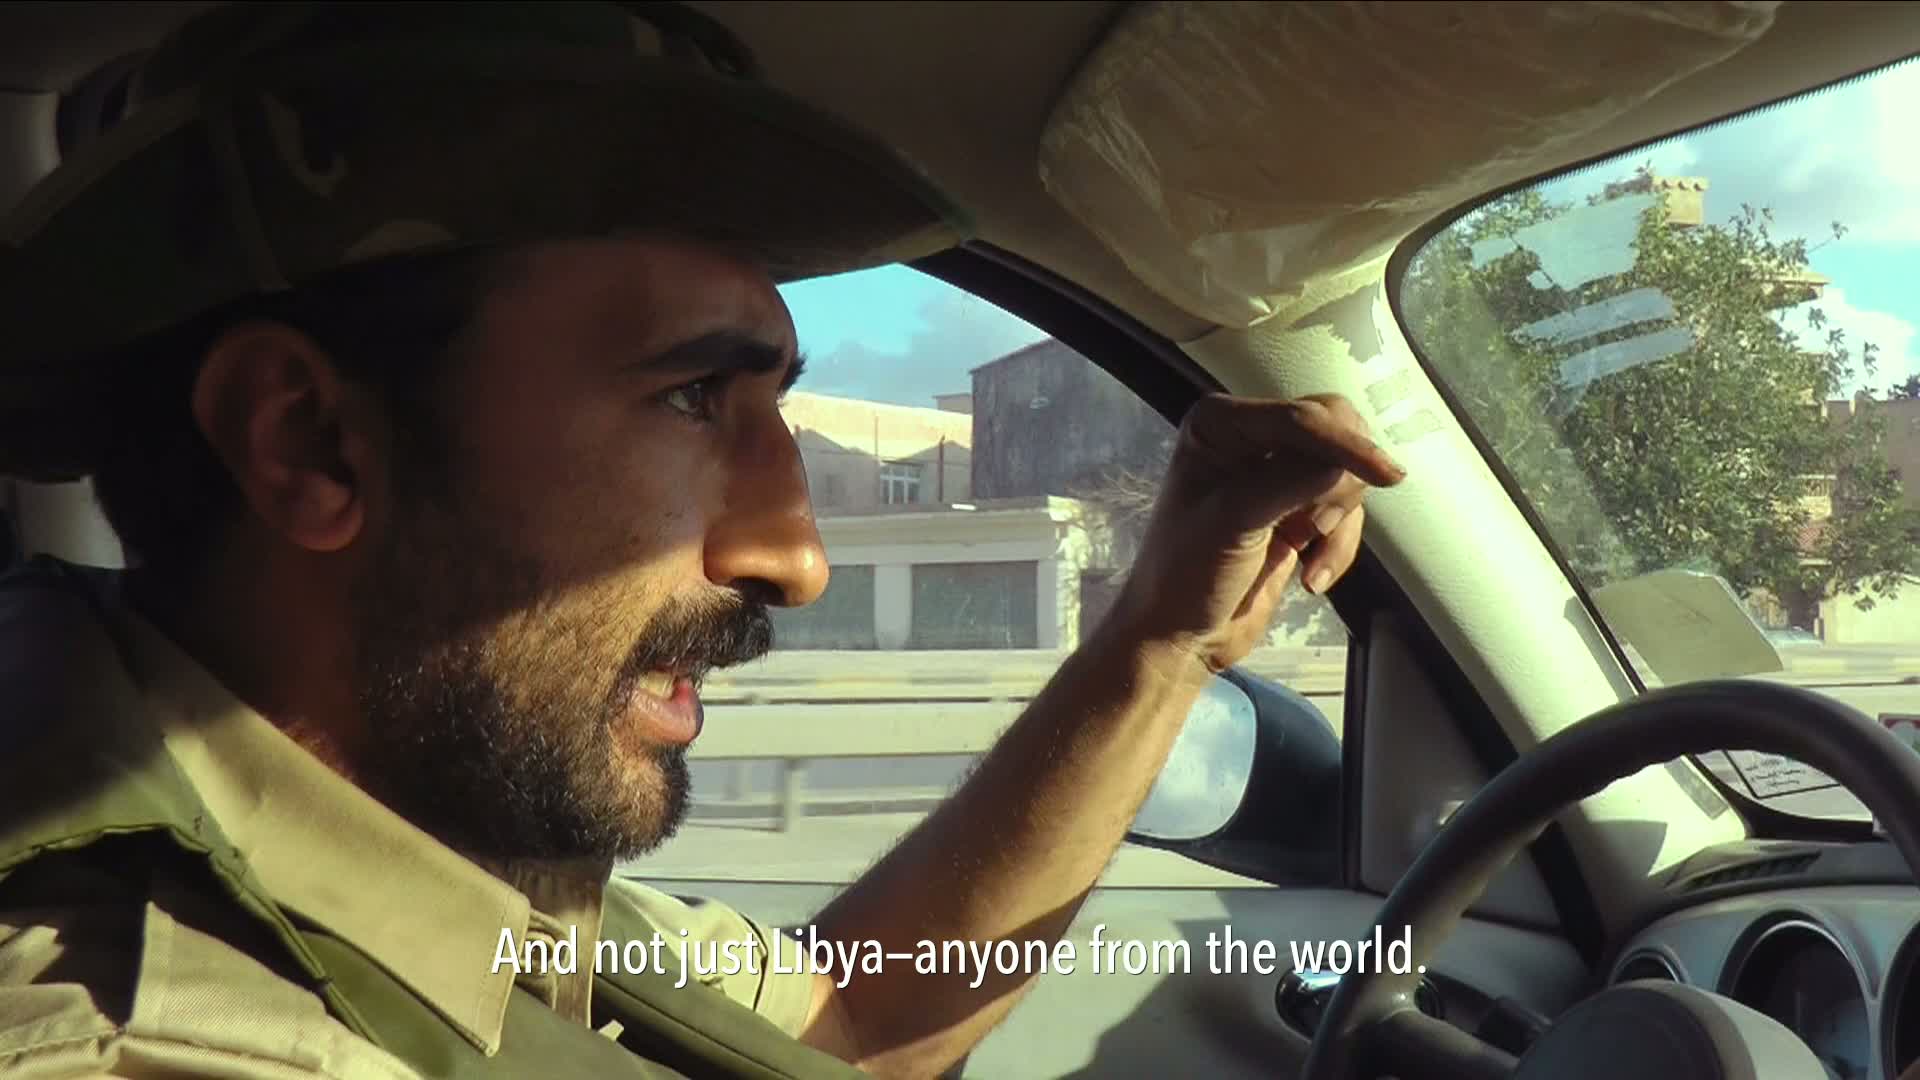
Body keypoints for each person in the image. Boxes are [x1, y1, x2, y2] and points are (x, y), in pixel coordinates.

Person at [0, 5, 1403, 1078]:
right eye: (690, 398)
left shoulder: (410, 848)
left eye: (770, 408)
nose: (796, 558)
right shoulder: (137, 1031)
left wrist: (1161, 642)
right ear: (307, 441)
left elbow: (852, 1022)